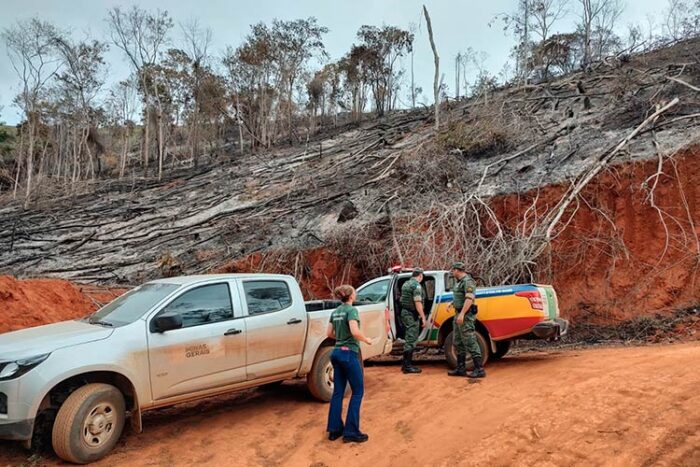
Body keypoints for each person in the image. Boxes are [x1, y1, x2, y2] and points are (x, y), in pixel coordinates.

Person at [326, 284, 374, 443]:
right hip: (349, 353)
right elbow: (354, 331)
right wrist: (366, 339)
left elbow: (328, 333)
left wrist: (341, 338)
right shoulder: (351, 311)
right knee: (358, 391)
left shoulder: (335, 312)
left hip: (337, 353)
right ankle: (351, 431)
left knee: (338, 392)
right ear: (351, 296)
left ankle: (334, 430)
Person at [447, 262, 485, 378]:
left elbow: (469, 299)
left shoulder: (468, 281)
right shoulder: (459, 282)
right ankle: (460, 368)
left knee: (470, 340)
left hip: (466, 315)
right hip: (458, 313)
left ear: (458, 270)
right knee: (458, 341)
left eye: (453, 270)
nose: (452, 272)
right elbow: (461, 296)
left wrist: (462, 314)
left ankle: (479, 369)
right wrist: (452, 303)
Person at [399, 268, 426, 374]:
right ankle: (407, 366)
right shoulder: (416, 285)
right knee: (411, 339)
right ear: (420, 276)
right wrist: (423, 316)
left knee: (409, 337)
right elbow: (418, 302)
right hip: (411, 314)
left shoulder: (406, 284)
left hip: (405, 313)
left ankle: (405, 365)